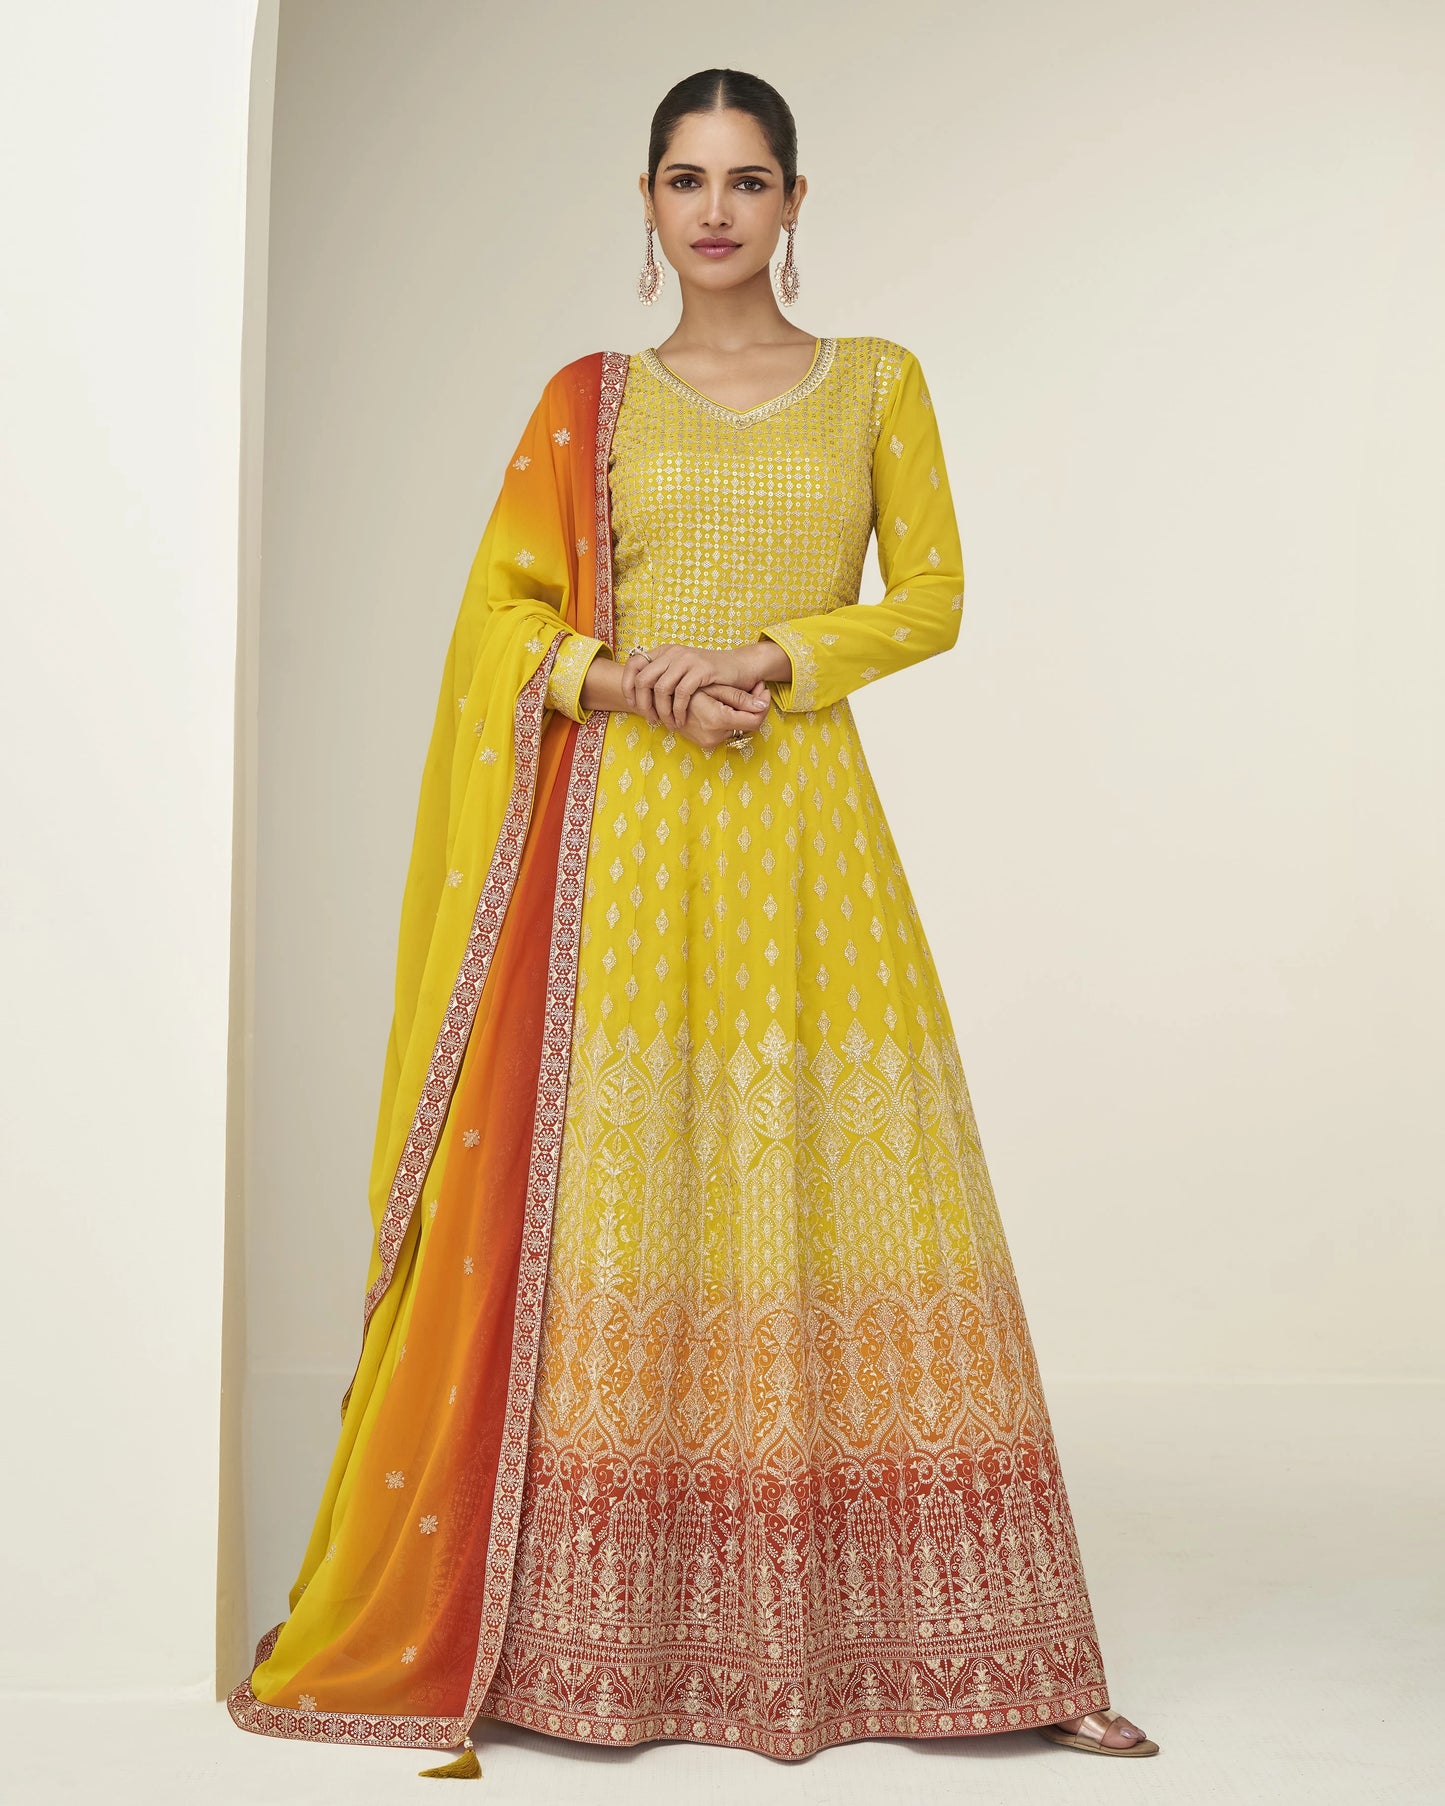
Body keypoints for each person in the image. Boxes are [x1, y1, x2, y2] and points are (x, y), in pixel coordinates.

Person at [228, 66, 1158, 1776]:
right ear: (646, 202)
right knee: (630, 1188)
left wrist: (770, 658)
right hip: (627, 841)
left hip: (808, 827)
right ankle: (588, 1649)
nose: (714, 210)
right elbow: (499, 626)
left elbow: (933, 597)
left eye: (745, 179)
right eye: (684, 179)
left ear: (795, 200)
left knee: (862, 1180)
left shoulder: (877, 381)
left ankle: (983, 1647)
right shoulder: (587, 399)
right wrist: (624, 678)